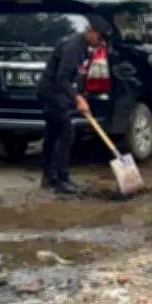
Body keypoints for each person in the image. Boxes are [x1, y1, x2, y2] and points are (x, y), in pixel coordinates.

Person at [36, 17, 112, 194]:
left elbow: (71, 77)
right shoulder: (73, 47)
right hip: (51, 93)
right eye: (99, 38)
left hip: (54, 93)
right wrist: (78, 98)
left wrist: (77, 96)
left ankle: (48, 177)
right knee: (66, 133)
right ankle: (62, 179)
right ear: (90, 31)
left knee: (53, 133)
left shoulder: (82, 46)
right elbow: (62, 77)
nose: (100, 42)